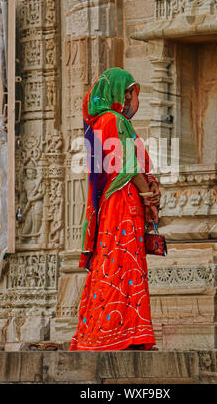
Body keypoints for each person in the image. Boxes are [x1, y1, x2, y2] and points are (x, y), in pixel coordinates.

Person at [69, 68, 161, 351]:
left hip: (113, 206)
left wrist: (151, 188)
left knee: (111, 265)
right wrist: (148, 195)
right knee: (124, 263)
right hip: (122, 203)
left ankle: (107, 333)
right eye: (132, 93)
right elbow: (128, 165)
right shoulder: (114, 120)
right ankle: (123, 335)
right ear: (122, 93)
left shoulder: (100, 122)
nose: (135, 100)